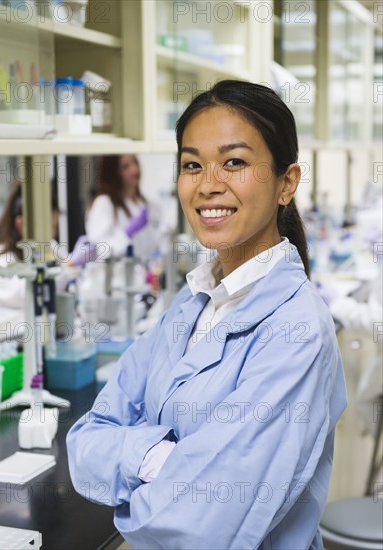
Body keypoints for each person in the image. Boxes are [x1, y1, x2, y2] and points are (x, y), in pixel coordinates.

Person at [67, 80, 347, 548]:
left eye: (234, 162)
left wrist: (136, 459)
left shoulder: (298, 333)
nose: (208, 185)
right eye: (192, 165)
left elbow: (201, 525)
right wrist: (164, 461)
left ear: (287, 182)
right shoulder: (194, 301)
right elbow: (84, 442)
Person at [0, 182, 93, 343]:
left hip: (30, 340)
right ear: (21, 223)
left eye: (54, 227)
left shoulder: (47, 245)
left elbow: (69, 277)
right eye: (48, 228)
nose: (51, 235)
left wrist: (73, 266)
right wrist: (71, 265)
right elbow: (27, 294)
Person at [85, 154, 164, 261]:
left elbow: (153, 243)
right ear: (113, 172)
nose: (135, 170)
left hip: (144, 272)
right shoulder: (104, 203)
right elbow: (99, 251)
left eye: (135, 162)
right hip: (117, 274)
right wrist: (126, 233)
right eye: (125, 167)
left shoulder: (143, 203)